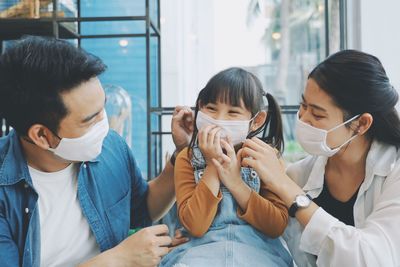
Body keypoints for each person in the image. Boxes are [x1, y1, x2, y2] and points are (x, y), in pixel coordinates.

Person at [0, 36, 193, 267]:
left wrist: (182, 153)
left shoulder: (111, 146)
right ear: (41, 135)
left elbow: (141, 209)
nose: (105, 124)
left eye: (103, 107)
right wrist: (118, 259)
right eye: (90, 120)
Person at [239, 50, 400, 266]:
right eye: (303, 106)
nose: (303, 119)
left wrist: (290, 192)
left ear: (361, 124)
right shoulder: (299, 175)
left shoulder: (394, 173)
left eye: (317, 114)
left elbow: (371, 259)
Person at [160, 67, 293, 267]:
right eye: (211, 109)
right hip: (198, 252)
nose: (219, 119)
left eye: (233, 112)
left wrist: (236, 183)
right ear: (199, 108)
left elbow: (276, 225)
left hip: (258, 253)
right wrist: (213, 165)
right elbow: (195, 225)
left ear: (256, 121)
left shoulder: (267, 159)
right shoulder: (187, 158)